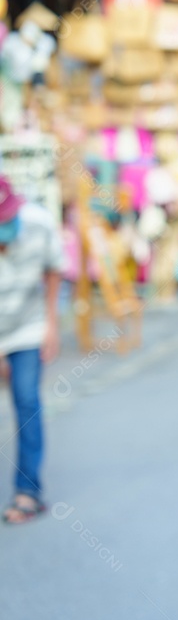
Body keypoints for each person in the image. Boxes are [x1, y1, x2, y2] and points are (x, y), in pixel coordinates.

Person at [0, 175, 62, 524]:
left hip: (27, 327)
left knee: (26, 401)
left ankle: (28, 490)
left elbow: (54, 269)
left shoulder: (38, 223)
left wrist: (51, 324)